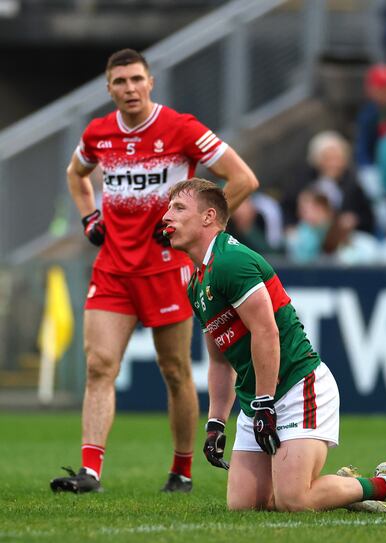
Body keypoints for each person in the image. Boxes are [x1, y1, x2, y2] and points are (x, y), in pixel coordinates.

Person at [50, 48, 260, 494]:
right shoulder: (98, 134)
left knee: (175, 371)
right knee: (99, 365)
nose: (129, 88)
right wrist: (89, 216)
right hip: (112, 268)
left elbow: (242, 179)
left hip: (166, 271)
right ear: (108, 89)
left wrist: (201, 233)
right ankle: (90, 472)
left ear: (151, 83)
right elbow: (76, 172)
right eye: (120, 82)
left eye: (136, 79)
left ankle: (182, 470)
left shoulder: (181, 129)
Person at [161, 178, 386, 513]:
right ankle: (348, 489)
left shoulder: (230, 262)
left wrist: (265, 404)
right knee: (245, 506)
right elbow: (220, 361)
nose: (166, 216)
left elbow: (267, 333)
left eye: (177, 208)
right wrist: (216, 422)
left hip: (297, 387)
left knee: (294, 500)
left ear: (208, 217)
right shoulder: (197, 282)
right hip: (258, 397)